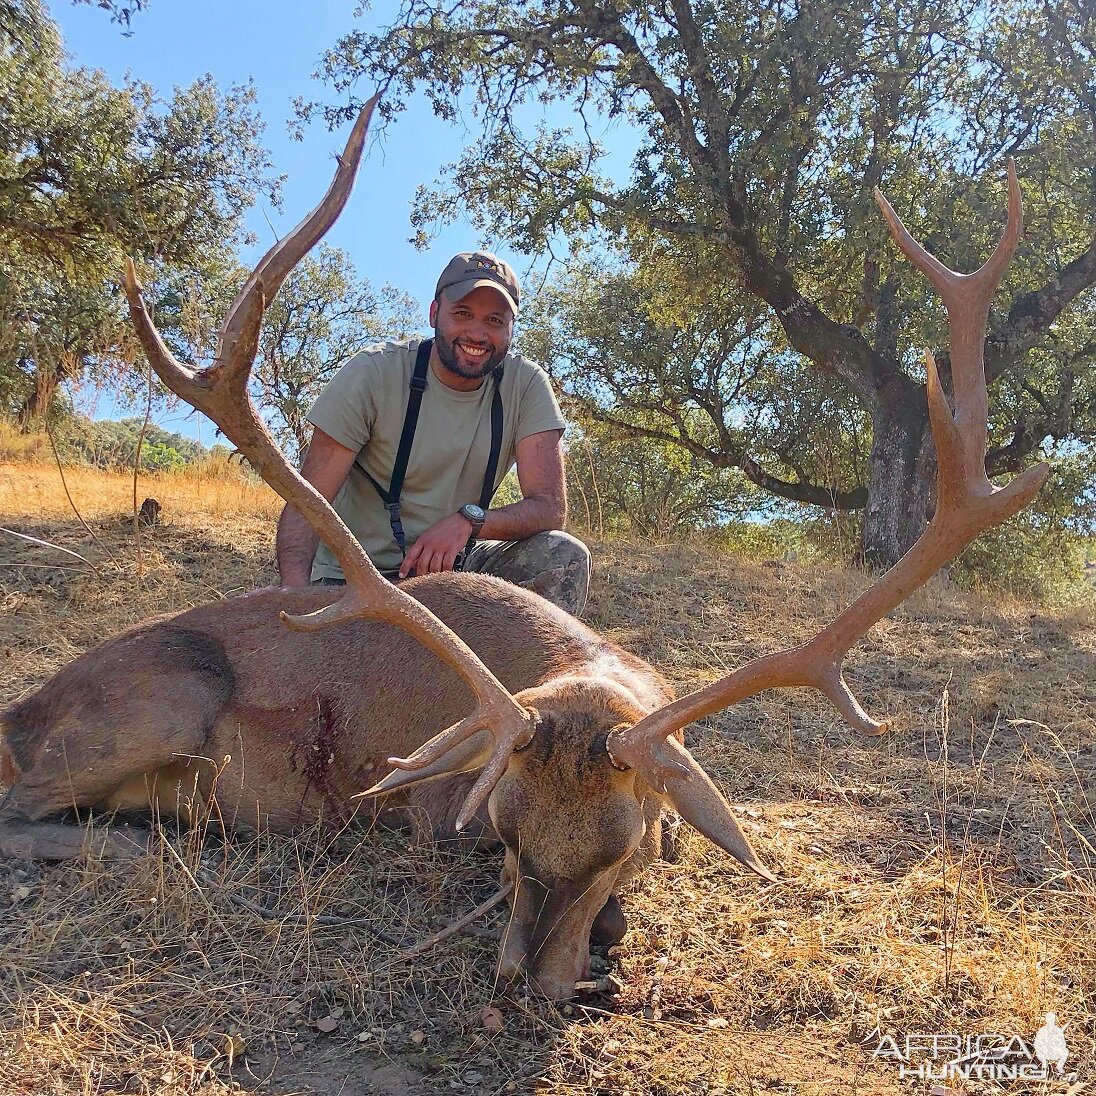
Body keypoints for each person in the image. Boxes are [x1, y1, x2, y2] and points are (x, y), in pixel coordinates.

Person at [275, 250, 590, 616]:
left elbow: (549, 509)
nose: (477, 332)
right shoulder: (373, 373)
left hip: (455, 573)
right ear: (434, 313)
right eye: (462, 313)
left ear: (510, 329)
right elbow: (307, 502)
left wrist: (469, 523)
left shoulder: (527, 385)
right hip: (355, 575)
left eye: (494, 320)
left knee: (563, 556)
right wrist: (294, 598)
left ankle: (508, 673)